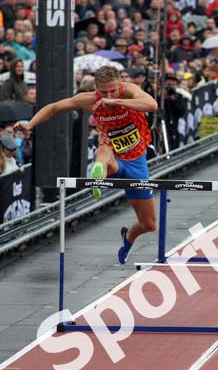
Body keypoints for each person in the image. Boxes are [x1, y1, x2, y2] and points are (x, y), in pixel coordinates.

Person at [13, 65, 158, 263]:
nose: (108, 94)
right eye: (103, 91)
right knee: (104, 149)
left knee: (149, 224)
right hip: (112, 156)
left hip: (136, 160)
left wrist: (115, 100)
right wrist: (30, 124)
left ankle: (128, 236)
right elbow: (54, 107)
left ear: (119, 84)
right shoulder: (89, 100)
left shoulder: (130, 90)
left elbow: (152, 105)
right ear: (96, 88)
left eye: (112, 90)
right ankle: (98, 172)